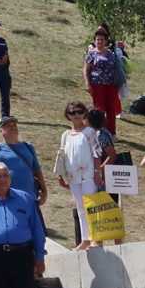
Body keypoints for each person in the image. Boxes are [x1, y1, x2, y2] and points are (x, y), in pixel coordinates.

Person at [55, 101, 102, 250]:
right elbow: (62, 155)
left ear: (84, 113)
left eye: (79, 112)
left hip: (88, 175)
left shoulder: (89, 132)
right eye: (72, 113)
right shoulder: (65, 135)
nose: (76, 115)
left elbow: (97, 153)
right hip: (73, 176)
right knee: (80, 208)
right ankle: (85, 239)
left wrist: (97, 172)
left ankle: (96, 239)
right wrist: (61, 175)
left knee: (91, 206)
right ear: (68, 116)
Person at [83, 28, 123, 135]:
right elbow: (86, 70)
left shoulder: (110, 54)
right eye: (97, 40)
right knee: (100, 109)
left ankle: (112, 132)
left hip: (111, 85)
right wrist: (88, 83)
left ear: (106, 41)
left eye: (102, 40)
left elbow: (116, 68)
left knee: (111, 109)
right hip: (97, 85)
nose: (99, 42)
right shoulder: (91, 54)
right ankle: (101, 131)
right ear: (94, 41)